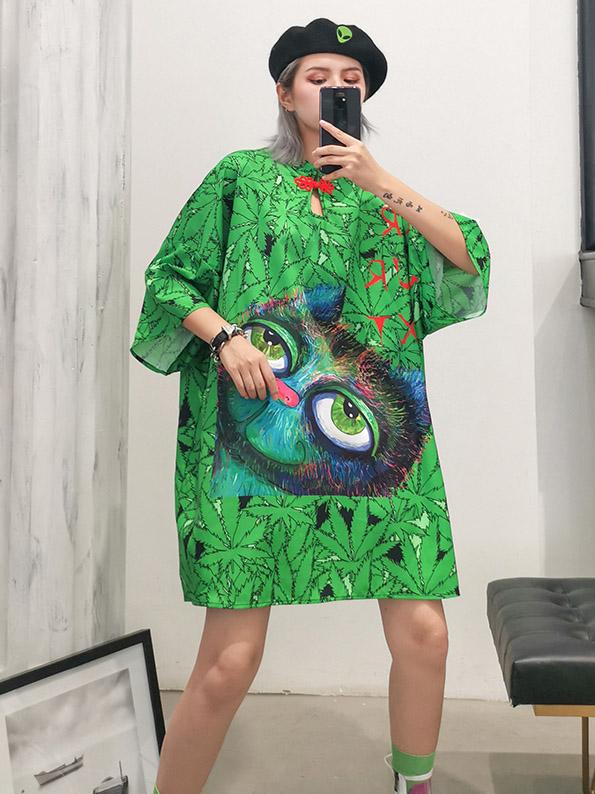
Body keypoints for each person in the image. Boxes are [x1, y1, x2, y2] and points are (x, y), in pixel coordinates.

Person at [131, 17, 491, 794]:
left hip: (378, 445)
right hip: (257, 438)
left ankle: (413, 785)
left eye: (350, 80)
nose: (335, 88)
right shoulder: (240, 177)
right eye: (318, 76)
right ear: (284, 91)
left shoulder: (382, 193)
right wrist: (226, 336)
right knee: (230, 662)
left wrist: (376, 177)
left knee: (425, 636)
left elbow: (468, 256)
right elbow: (169, 280)